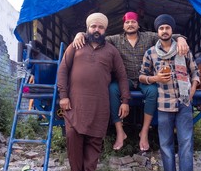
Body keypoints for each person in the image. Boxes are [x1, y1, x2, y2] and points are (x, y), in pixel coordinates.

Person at [73, 12, 189, 151]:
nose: (130, 24)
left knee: (153, 91)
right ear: (123, 25)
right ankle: (120, 132)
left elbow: (166, 34)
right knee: (112, 89)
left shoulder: (148, 37)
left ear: (138, 24)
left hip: (144, 78)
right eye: (127, 22)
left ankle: (144, 131)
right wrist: (80, 34)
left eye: (133, 22)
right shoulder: (114, 40)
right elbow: (96, 35)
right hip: (125, 80)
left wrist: (181, 39)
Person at [57, 12, 130, 171]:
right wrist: (63, 96)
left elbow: (122, 77)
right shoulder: (77, 45)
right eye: (93, 27)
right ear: (87, 28)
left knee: (94, 141)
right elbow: (63, 70)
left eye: (100, 27)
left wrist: (125, 101)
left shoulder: (112, 51)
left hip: (99, 104)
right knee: (73, 139)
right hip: (74, 103)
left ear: (105, 30)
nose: (96, 30)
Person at [139, 14, 200, 171]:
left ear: (172, 30)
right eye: (161, 28)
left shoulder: (183, 50)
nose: (164, 31)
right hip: (163, 104)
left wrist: (191, 92)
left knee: (186, 144)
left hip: (183, 104)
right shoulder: (151, 53)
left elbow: (195, 73)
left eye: (167, 27)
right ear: (157, 32)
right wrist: (155, 79)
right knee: (165, 146)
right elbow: (141, 76)